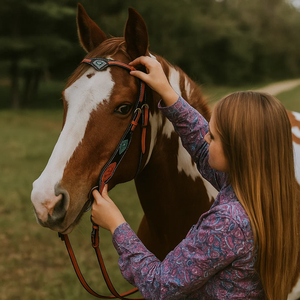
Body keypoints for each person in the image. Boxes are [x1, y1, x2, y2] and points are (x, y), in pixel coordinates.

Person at [91, 56, 299, 299]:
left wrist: (117, 225)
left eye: (213, 135)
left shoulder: (229, 223)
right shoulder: (266, 191)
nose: (206, 139)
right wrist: (168, 94)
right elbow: (201, 148)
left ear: (237, 150)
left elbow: (159, 285)